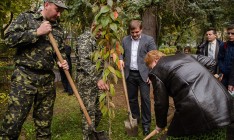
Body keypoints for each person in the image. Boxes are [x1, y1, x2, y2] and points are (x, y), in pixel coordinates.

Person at [0, 0, 68, 139]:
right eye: (57, 9)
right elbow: (9, 39)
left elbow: (59, 53)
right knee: (12, 124)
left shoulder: (59, 30)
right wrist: (37, 32)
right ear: (47, 4)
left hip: (47, 82)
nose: (59, 14)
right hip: (24, 78)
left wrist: (62, 62)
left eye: (61, 11)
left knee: (44, 127)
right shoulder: (26, 18)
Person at [145, 50, 233, 139]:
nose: (152, 70)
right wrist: (205, 80)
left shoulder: (156, 70)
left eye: (150, 66)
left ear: (156, 59)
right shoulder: (184, 56)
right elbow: (211, 62)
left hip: (196, 110)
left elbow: (161, 103)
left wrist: (160, 125)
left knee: (175, 136)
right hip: (222, 104)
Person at [119, 19, 157, 135]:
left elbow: (154, 57)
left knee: (145, 100)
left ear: (141, 29)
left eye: (137, 32)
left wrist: (151, 75)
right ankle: (135, 120)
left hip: (144, 75)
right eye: (132, 33)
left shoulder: (149, 40)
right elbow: (120, 52)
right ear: (129, 31)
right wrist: (120, 59)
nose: (135, 35)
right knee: (132, 99)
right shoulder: (125, 40)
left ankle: (146, 125)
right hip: (130, 74)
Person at [75, 24, 109, 140]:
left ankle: (92, 132)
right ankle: (87, 137)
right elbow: (85, 62)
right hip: (86, 80)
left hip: (98, 79)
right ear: (93, 26)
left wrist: (104, 77)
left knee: (99, 108)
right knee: (89, 111)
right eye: (99, 30)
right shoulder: (84, 39)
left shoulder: (99, 41)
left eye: (102, 31)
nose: (100, 33)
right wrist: (97, 79)